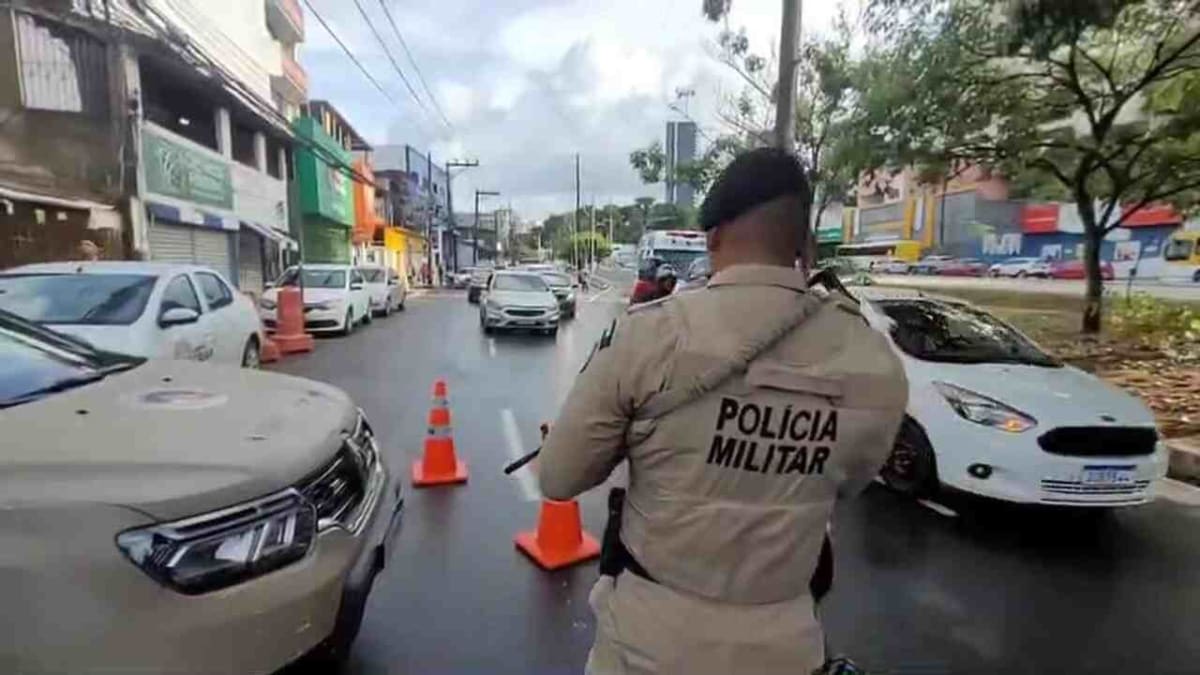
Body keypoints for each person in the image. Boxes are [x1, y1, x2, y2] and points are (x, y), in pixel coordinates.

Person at [538, 147, 909, 675]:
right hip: (784, 649)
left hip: (648, 648)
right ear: (804, 242)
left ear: (712, 238)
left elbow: (558, 476)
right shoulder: (870, 357)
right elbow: (849, 481)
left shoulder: (649, 334)